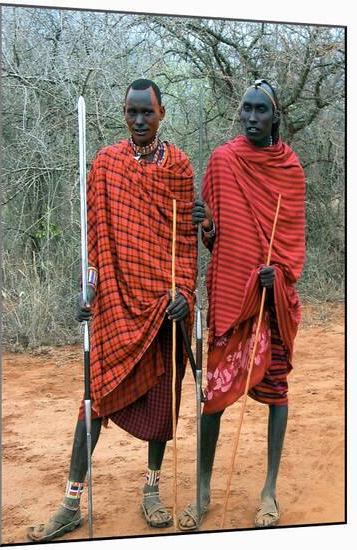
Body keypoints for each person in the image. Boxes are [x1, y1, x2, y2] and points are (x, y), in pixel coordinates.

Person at [27, 79, 197, 542]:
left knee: (164, 402)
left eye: (147, 113)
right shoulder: (105, 164)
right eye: (131, 113)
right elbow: (94, 243)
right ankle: (70, 502)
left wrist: (183, 290)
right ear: (123, 114)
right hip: (115, 305)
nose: (139, 121)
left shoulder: (179, 166)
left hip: (163, 304)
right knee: (93, 401)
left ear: (162, 113)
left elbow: (184, 241)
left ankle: (152, 489)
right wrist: (87, 293)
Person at [178, 79, 305, 530]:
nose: (252, 118)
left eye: (260, 111)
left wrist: (281, 272)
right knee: (212, 395)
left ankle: (268, 490)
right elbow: (212, 238)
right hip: (233, 295)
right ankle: (204, 488)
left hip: (271, 299)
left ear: (274, 117)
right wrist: (206, 223)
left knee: (276, 393)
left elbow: (292, 240)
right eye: (246, 110)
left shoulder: (289, 169)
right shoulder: (222, 161)